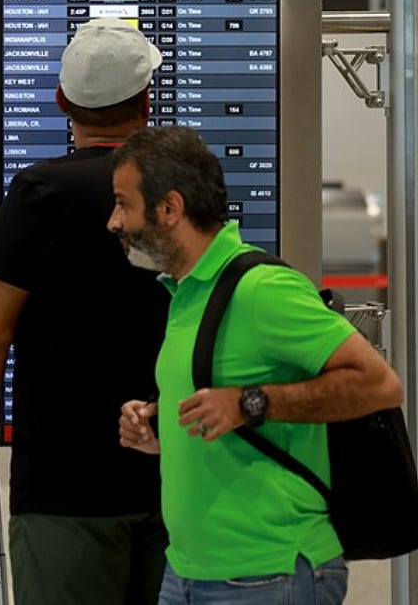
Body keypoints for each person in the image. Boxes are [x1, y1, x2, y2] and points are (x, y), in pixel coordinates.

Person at [112, 126, 404, 605]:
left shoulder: (262, 289)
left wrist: (250, 403)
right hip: (187, 573)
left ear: (170, 208)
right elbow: (225, 419)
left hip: (268, 575)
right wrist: (160, 431)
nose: (113, 221)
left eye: (123, 203)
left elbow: (379, 384)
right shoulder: (186, 291)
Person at [0, 17, 171, 605]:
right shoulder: (180, 188)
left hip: (65, 486)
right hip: (183, 472)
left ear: (62, 100)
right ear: (147, 101)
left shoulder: (43, 191)